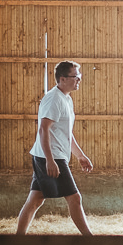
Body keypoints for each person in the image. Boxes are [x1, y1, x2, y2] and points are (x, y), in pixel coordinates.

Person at [17, 60, 95, 235]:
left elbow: (66, 133)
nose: (79, 80)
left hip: (51, 156)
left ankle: (17, 239)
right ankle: (90, 239)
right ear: (62, 79)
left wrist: (80, 156)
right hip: (50, 157)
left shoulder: (66, 98)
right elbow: (44, 129)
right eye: (75, 77)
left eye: (79, 76)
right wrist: (50, 160)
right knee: (75, 198)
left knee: (36, 199)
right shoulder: (53, 99)